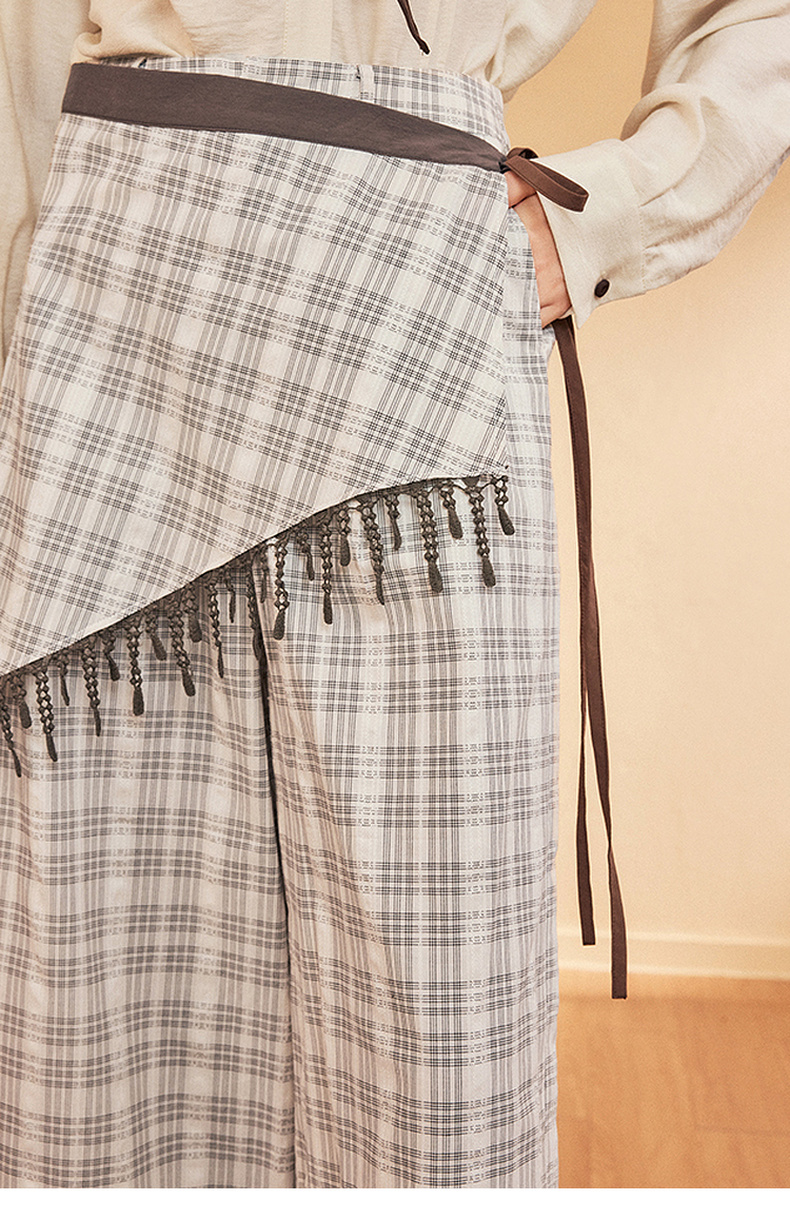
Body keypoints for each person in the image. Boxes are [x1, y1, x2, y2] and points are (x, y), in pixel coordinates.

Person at [0, 0, 786, 1190]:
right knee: (100, 960)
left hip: (413, 302)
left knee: (424, 986)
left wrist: (605, 213)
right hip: (116, 304)